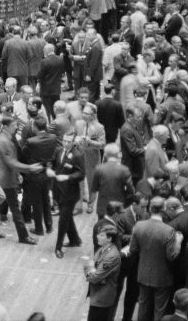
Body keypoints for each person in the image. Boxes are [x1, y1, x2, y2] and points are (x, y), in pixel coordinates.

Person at [128, 196, 182, 321]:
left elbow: (132, 250)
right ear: (164, 208)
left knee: (143, 308)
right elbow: (171, 256)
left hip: (143, 274)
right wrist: (178, 242)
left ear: (150, 208)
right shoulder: (169, 230)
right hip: (162, 277)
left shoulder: (139, 226)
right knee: (160, 311)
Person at [0, 116, 41, 244]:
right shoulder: (5, 141)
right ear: (7, 127)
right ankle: (23, 236)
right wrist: (29, 168)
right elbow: (11, 162)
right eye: (14, 125)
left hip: (7, 177)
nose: (17, 127)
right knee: (15, 208)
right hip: (7, 180)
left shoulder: (5, 138)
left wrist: (19, 173)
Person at [51, 130, 85, 259]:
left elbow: (81, 174)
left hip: (70, 193)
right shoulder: (59, 150)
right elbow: (54, 164)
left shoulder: (77, 155)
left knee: (63, 220)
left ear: (73, 142)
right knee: (67, 216)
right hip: (58, 191)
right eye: (64, 140)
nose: (66, 143)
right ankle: (75, 239)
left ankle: (58, 247)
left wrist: (68, 177)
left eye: (69, 142)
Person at [84, 225, 122, 321]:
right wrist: (90, 268)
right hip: (97, 294)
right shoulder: (103, 248)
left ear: (109, 239)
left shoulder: (112, 256)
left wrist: (89, 270)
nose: (97, 236)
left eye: (101, 235)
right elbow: (90, 264)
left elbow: (95, 277)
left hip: (102, 298)